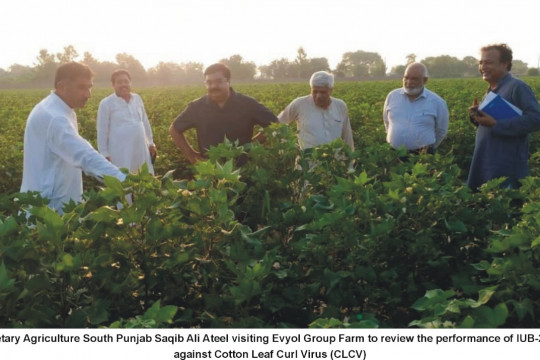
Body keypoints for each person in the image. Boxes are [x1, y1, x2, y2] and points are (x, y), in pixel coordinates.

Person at [20, 62, 126, 213]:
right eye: (82, 87)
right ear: (61, 86)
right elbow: (84, 155)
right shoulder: (55, 118)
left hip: (56, 199)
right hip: (49, 209)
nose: (88, 94)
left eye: (90, 87)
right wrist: (123, 180)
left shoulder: (60, 108)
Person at [169, 63, 277, 164]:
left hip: (244, 170)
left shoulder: (248, 104)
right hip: (210, 172)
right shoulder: (196, 107)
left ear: (228, 81)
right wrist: (192, 156)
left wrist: (252, 145)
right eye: (209, 82)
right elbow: (174, 129)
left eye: (218, 81)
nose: (213, 86)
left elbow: (275, 125)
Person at [467, 44, 540, 190]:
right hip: (486, 163)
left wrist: (495, 124)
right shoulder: (493, 88)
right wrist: (478, 117)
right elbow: (492, 123)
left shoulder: (517, 87)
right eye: (481, 63)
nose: (483, 67)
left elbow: (535, 119)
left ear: (505, 64)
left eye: (488, 62)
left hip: (505, 168)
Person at [97, 69, 156, 175]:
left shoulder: (137, 98)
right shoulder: (106, 103)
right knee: (123, 181)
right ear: (113, 85)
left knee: (144, 179)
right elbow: (102, 131)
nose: (123, 84)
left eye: (126, 81)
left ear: (130, 83)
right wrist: (104, 154)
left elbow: (145, 122)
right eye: (119, 82)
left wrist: (151, 143)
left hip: (141, 150)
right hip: (120, 153)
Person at [277, 71, 354, 151]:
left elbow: (347, 136)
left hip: (335, 162)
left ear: (331, 90)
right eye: (315, 91)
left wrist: (350, 160)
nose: (318, 96)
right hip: (308, 162)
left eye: (323, 92)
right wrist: (290, 146)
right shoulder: (299, 104)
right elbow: (278, 124)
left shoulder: (340, 106)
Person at [383, 62, 449, 155]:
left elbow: (441, 131)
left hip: (423, 156)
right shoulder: (392, 96)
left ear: (425, 80)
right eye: (406, 78)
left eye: (414, 79)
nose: (409, 82)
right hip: (394, 154)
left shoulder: (437, 102)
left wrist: (428, 149)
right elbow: (387, 122)